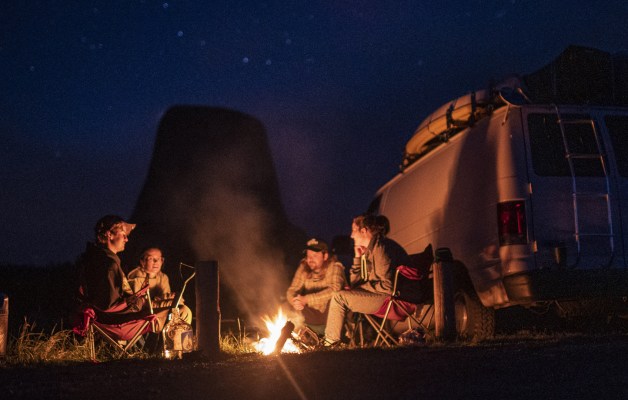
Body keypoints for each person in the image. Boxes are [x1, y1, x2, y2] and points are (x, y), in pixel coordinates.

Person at [323, 213, 412, 345]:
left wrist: (360, 288)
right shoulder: (373, 249)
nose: (351, 235)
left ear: (364, 231)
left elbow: (387, 286)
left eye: (354, 230)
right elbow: (355, 284)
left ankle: (330, 342)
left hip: (394, 300)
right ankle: (340, 340)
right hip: (387, 297)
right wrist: (357, 258)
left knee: (338, 297)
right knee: (341, 295)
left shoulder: (381, 248)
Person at [76, 215, 150, 323]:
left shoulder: (98, 258)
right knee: (172, 313)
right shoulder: (109, 264)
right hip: (114, 321)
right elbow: (110, 306)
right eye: (123, 235)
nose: (126, 239)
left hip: (107, 317)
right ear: (109, 235)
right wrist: (140, 302)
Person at [286, 238, 346, 336]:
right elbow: (292, 289)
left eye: (314, 255)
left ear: (325, 256)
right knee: (285, 305)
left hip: (328, 317)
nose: (310, 259)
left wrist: (307, 299)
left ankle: (329, 337)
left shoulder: (335, 266)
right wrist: (294, 301)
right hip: (307, 315)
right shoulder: (304, 266)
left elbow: (335, 290)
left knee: (334, 300)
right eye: (308, 256)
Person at [127, 247, 193, 326]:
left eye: (159, 259)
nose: (156, 262)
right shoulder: (136, 277)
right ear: (142, 261)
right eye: (151, 258)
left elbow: (164, 298)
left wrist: (170, 297)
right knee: (182, 309)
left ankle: (178, 332)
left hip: (156, 309)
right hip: (143, 314)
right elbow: (137, 305)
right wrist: (165, 298)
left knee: (179, 303)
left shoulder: (163, 277)